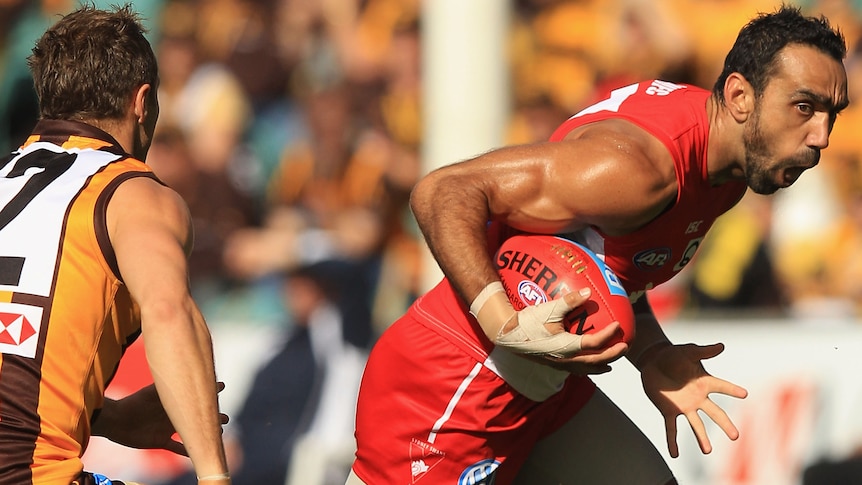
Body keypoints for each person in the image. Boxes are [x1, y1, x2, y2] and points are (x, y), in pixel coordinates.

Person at [348, 5, 848, 485]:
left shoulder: (727, 165)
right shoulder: (637, 170)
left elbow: (612, 266)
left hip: (544, 393)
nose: (821, 136)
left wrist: (652, 354)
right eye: (804, 107)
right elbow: (443, 191)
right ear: (740, 96)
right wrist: (500, 320)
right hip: (452, 388)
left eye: (832, 114)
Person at [0, 5, 231, 484]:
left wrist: (109, 418)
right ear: (141, 101)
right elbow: (169, 312)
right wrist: (214, 476)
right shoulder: (131, 193)